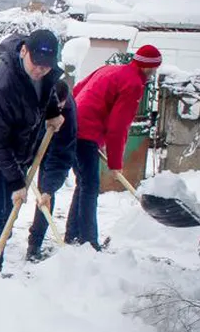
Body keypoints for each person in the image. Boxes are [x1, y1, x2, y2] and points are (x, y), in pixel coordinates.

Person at [0, 29, 65, 270]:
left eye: (46, 66)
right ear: (23, 51)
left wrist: (53, 112)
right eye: (36, 64)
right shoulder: (0, 84)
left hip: (17, 152)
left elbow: (46, 91)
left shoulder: (44, 73)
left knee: (7, 218)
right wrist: (16, 181)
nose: (40, 70)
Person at [65, 45, 162, 249]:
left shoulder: (110, 70)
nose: (154, 73)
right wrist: (116, 162)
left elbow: (77, 90)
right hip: (86, 133)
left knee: (84, 183)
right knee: (90, 187)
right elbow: (118, 126)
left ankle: (73, 235)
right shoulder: (133, 83)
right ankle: (89, 242)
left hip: (71, 126)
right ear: (148, 68)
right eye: (154, 68)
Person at [26, 80, 77, 262]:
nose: (58, 112)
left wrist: (48, 189)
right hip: (27, 139)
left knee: (45, 195)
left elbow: (61, 156)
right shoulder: (29, 98)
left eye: (60, 107)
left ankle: (35, 243)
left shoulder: (68, 115)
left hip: (53, 147)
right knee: (11, 187)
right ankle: (1, 232)